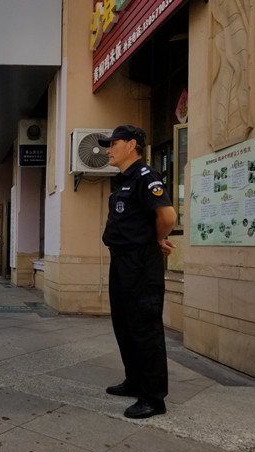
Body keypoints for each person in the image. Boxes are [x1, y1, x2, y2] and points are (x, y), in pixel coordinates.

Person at [99, 125, 177, 419]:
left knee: (145, 327)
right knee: (124, 325)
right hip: (121, 261)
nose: (108, 149)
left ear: (132, 145)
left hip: (141, 263)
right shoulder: (124, 180)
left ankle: (153, 398)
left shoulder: (146, 177)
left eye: (113, 144)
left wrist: (155, 239)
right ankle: (134, 381)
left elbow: (167, 215)